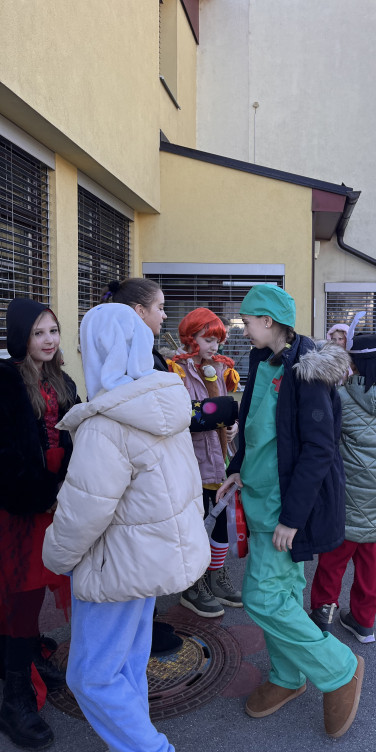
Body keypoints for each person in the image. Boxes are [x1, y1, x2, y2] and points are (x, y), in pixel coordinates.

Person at [42, 302, 210, 752]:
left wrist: (54, 556)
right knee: (130, 661)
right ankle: (133, 741)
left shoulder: (105, 424)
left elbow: (84, 512)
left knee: (91, 676)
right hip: (148, 560)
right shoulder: (163, 403)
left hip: (113, 564)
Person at [217, 283, 364, 739]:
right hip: (260, 499)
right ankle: (287, 676)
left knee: (263, 598)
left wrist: (292, 520)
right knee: (281, 594)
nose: (243, 329)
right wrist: (238, 469)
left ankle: (339, 668)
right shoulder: (263, 360)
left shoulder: (307, 371)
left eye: (246, 321)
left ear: (268, 321)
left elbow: (319, 451)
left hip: (283, 510)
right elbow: (255, 428)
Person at [0, 299, 78, 750]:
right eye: (38, 333)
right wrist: (42, 494)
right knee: (21, 595)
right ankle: (14, 699)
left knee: (37, 588)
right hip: (21, 509)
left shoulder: (62, 379)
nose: (49, 340)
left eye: (53, 331)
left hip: (53, 502)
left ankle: (25, 653)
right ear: (21, 338)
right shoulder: (6, 381)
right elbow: (6, 457)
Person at [101, 277, 181, 655]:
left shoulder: (144, 351)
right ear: (138, 311)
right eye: (159, 308)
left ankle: (144, 624)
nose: (164, 316)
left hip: (146, 468)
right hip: (138, 470)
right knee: (137, 552)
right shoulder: (134, 359)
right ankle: (136, 634)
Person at [310, 333, 376, 643]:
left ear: (350, 363)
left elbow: (328, 443)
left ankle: (323, 615)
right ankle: (364, 621)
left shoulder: (340, 396)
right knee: (371, 558)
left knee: (333, 559)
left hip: (346, 493)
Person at [170, 308, 241, 618]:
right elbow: (178, 416)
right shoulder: (176, 372)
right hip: (193, 462)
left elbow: (226, 409)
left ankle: (216, 575)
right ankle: (193, 582)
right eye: (208, 339)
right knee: (195, 524)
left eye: (218, 340)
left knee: (221, 522)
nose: (215, 346)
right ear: (191, 338)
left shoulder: (221, 369)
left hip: (220, 459)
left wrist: (233, 426)